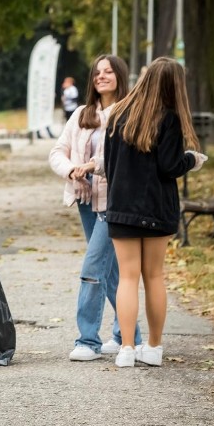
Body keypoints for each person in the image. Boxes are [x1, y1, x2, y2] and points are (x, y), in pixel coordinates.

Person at [104, 57, 208, 368]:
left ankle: (125, 348)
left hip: (121, 207)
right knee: (154, 277)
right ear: (174, 86)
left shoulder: (117, 114)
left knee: (127, 278)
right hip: (156, 208)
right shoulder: (170, 118)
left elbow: (109, 165)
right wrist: (192, 160)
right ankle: (153, 347)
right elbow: (170, 166)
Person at [49, 55, 143, 361]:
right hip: (86, 201)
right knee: (111, 271)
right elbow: (57, 152)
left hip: (116, 202)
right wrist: (71, 169)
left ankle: (87, 340)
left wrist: (94, 165)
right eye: (97, 73)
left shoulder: (130, 112)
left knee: (92, 268)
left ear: (120, 76)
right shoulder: (81, 114)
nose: (102, 76)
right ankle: (129, 335)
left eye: (109, 72)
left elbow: (129, 157)